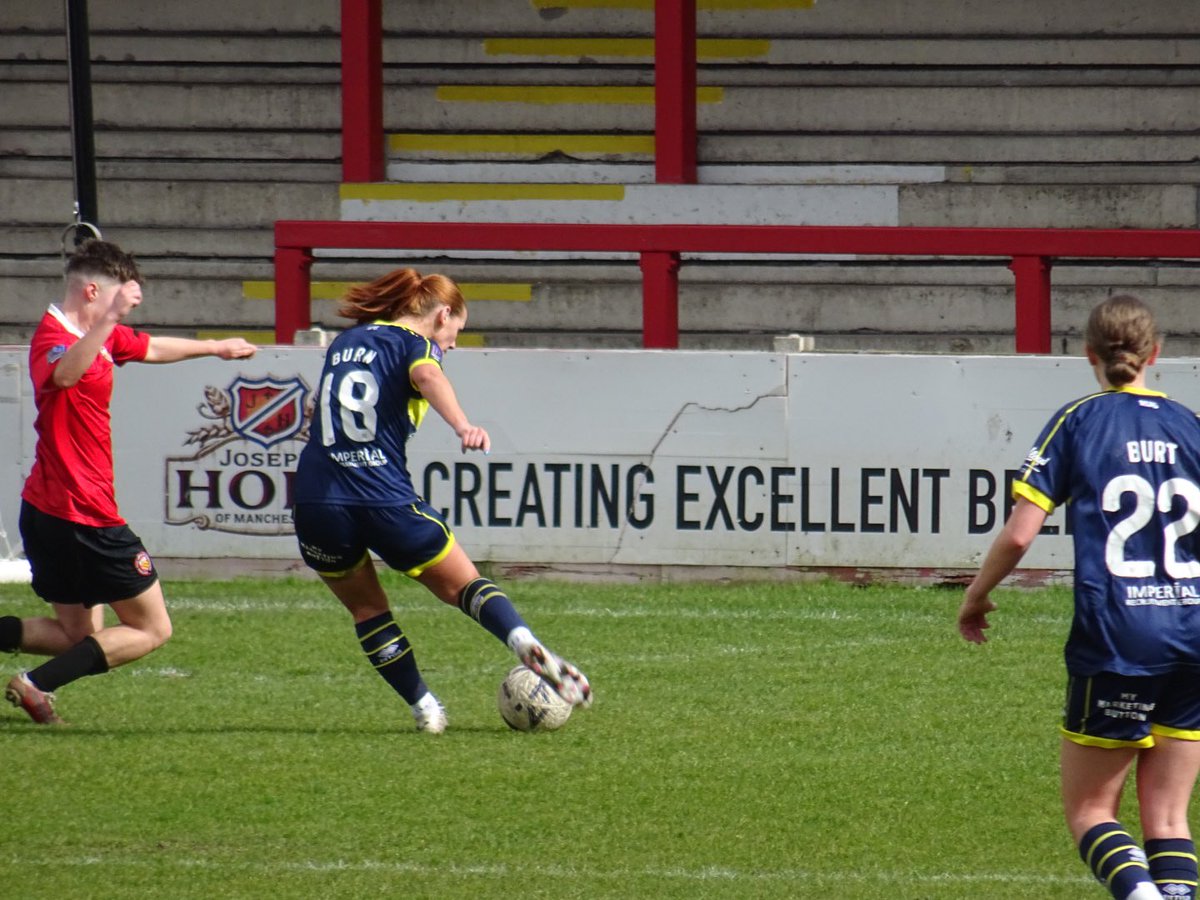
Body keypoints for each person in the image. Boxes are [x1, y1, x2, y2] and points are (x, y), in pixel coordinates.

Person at [957, 294, 1200, 900]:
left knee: (1092, 812)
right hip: (1193, 636)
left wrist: (976, 595)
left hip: (1118, 638)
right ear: (1156, 355)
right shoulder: (1192, 427)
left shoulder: (1081, 419)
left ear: (1088, 354)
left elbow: (1019, 532)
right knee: (1169, 820)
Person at [291, 266, 591, 734]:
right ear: (442, 314)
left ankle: (424, 708)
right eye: (456, 332)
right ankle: (522, 640)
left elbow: (325, 408)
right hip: (381, 497)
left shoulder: (346, 342)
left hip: (315, 500)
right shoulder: (417, 344)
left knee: (367, 610)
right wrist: (463, 424)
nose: (452, 343)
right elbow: (428, 376)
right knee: (465, 586)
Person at [1, 239, 257, 725]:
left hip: (51, 509)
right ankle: (35, 684)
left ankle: (36, 684)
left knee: (75, 633)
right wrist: (109, 319)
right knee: (153, 628)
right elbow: (65, 375)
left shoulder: (92, 330)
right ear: (94, 291)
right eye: (118, 298)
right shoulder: (54, 337)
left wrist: (216, 348)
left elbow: (151, 347)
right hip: (84, 515)